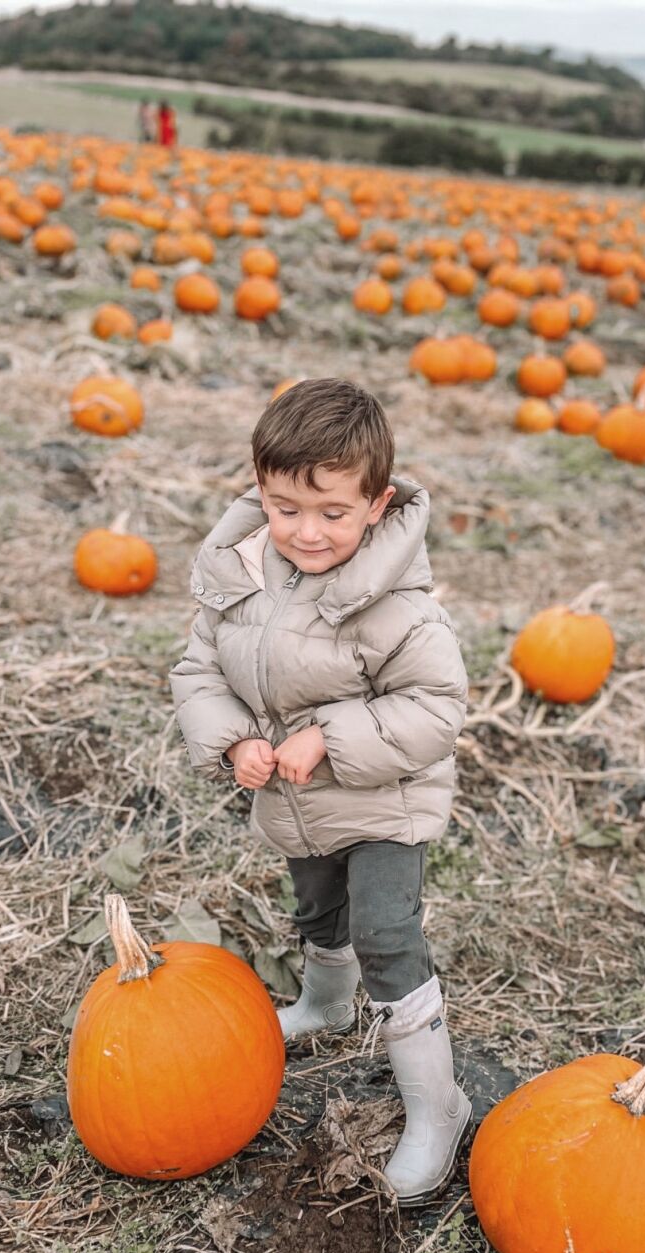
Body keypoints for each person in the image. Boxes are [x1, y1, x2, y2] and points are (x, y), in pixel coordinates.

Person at [169, 379, 473, 1204]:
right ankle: (327, 1007)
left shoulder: (398, 604)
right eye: (284, 508)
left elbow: (437, 709)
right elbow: (200, 669)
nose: (307, 532)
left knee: (384, 934)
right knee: (317, 912)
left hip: (385, 798)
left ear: (376, 505)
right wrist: (233, 737)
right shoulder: (238, 573)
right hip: (298, 803)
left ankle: (436, 1105)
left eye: (333, 514)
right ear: (259, 489)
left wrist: (327, 738)